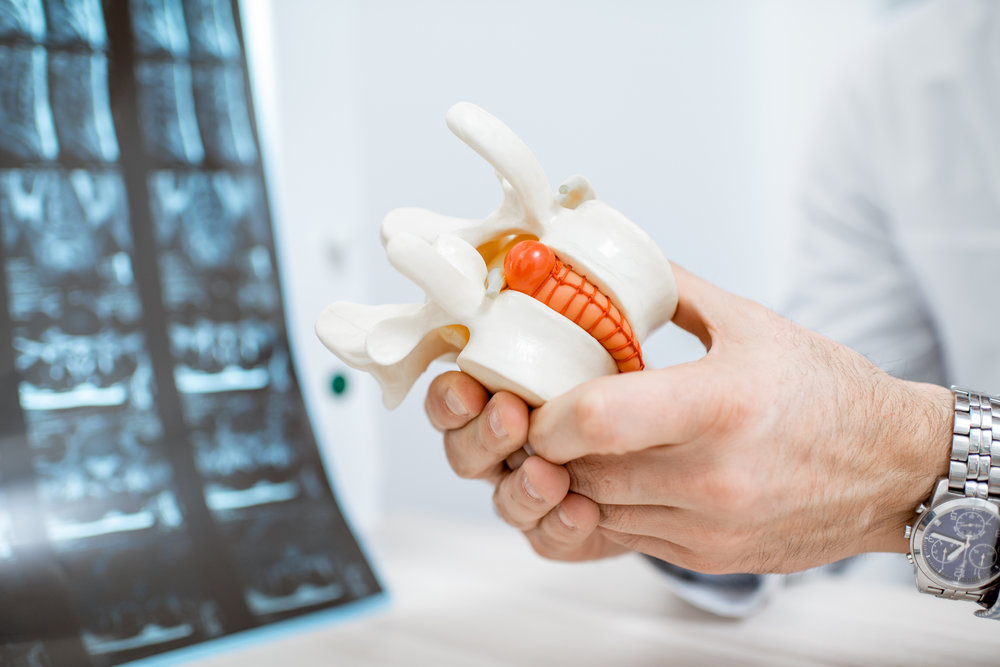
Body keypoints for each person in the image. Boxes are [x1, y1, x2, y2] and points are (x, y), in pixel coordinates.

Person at [423, 0, 1000, 618]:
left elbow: (871, 462)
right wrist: (673, 501)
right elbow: (827, 447)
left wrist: (928, 466)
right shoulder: (900, 84)